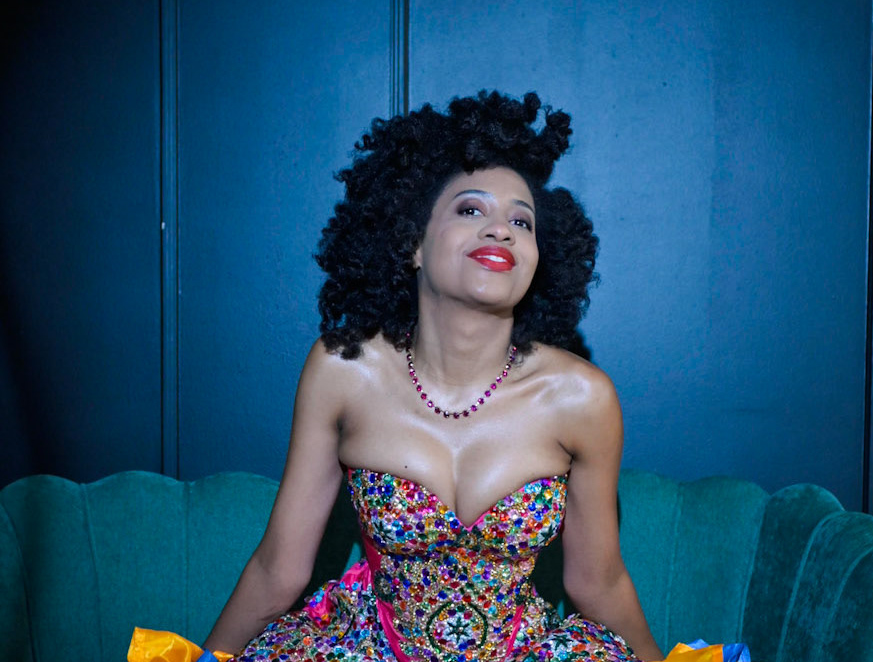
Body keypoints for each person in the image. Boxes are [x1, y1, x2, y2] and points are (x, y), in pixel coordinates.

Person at [202, 92, 663, 662]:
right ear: (413, 242)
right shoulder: (343, 370)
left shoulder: (582, 397)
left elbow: (599, 583)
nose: (501, 230)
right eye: (471, 210)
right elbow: (279, 569)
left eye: (521, 220)